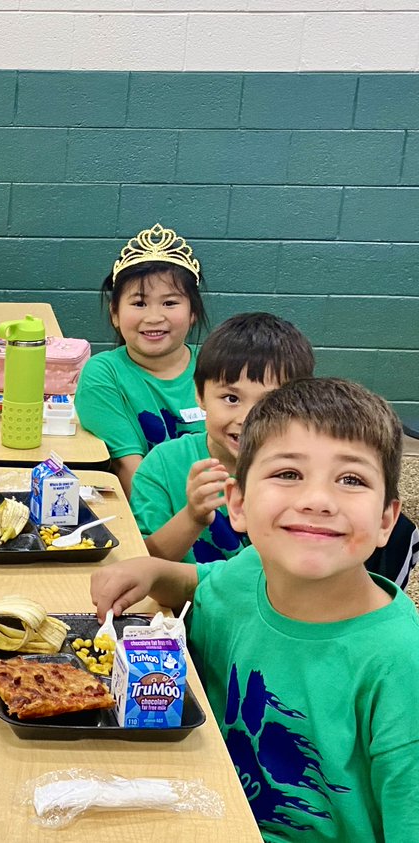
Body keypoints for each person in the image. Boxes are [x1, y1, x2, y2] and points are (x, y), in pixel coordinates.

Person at [92, 378, 419, 841]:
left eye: (351, 480)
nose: (317, 501)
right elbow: (199, 585)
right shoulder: (248, 571)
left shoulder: (402, 667)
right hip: (198, 806)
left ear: (386, 520)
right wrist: (151, 570)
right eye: (288, 474)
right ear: (238, 504)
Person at [132, 312, 314, 564]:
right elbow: (144, 563)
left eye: (269, 402)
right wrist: (193, 517)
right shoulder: (164, 464)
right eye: (231, 398)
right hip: (182, 602)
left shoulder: (311, 473)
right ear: (199, 395)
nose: (247, 418)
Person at [76, 223, 209, 496]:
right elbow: (129, 470)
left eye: (170, 303)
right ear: (115, 314)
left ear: (193, 312)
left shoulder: (217, 366)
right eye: (139, 303)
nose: (154, 317)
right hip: (154, 518)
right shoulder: (104, 374)